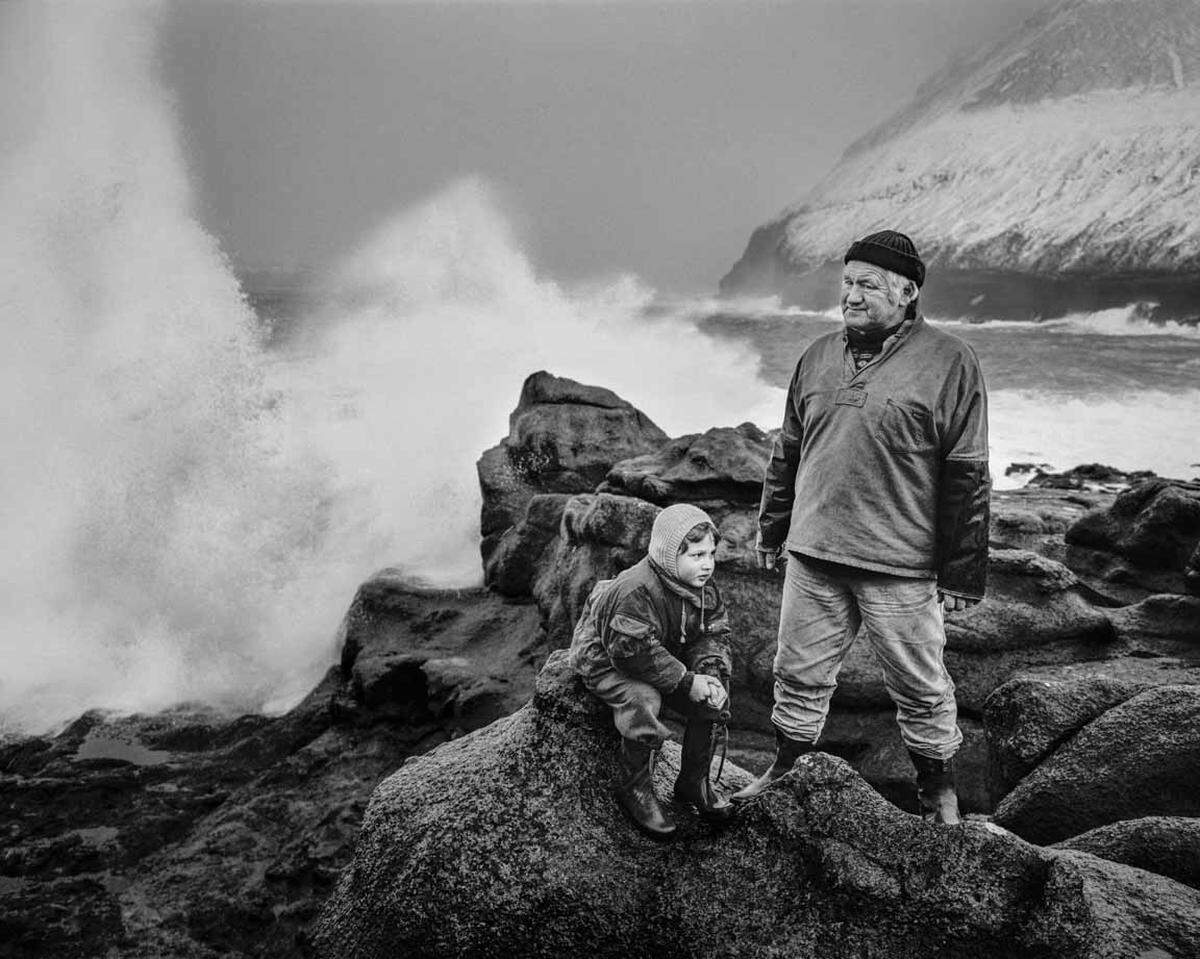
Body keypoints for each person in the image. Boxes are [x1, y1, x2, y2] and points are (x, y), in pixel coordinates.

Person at [731, 230, 990, 825]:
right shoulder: (817, 354)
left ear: (906, 292)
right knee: (795, 673)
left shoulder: (951, 361)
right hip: (813, 553)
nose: (850, 295)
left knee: (921, 687)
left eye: (866, 285)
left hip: (898, 564)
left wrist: (962, 570)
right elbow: (789, 449)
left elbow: (968, 471)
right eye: (846, 283)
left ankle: (938, 790)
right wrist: (772, 529)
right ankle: (786, 769)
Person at [569, 503, 735, 838]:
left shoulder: (703, 587)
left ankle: (693, 781)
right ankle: (636, 789)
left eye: (711, 554)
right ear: (669, 554)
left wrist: (710, 671)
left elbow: (714, 633)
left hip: (657, 652)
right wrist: (686, 680)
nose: (707, 564)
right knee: (644, 698)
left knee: (712, 697)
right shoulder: (634, 589)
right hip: (608, 657)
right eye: (696, 555)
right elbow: (631, 654)